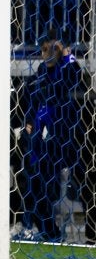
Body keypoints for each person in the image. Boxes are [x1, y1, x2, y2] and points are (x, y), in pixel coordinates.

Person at [18, 36, 88, 242]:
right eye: (44, 49)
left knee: (81, 182)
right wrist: (29, 121)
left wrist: (66, 56)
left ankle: (89, 235)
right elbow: (30, 101)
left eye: (54, 49)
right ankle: (46, 230)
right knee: (35, 180)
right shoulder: (39, 74)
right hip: (44, 140)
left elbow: (72, 81)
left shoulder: (70, 69)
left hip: (70, 138)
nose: (47, 53)